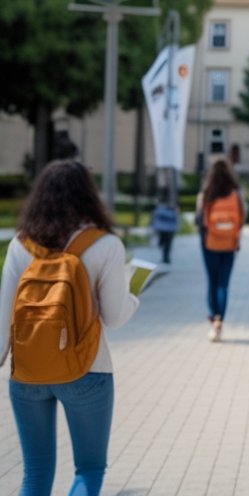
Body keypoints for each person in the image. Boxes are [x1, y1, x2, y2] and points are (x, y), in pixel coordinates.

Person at [0, 160, 139, 496]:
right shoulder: (106, 245)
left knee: (34, 472)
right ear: (89, 195)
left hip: (28, 375)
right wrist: (134, 296)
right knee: (89, 469)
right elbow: (116, 317)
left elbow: (4, 314)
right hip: (87, 371)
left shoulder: (21, 244)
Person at [196, 157, 244, 343]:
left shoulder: (206, 194)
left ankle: (212, 315)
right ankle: (219, 320)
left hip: (210, 243)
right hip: (229, 244)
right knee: (224, 283)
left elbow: (200, 220)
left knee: (212, 282)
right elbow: (241, 219)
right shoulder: (235, 194)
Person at [150, 189, 180, 266]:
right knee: (166, 243)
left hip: (165, 228)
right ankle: (166, 257)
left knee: (166, 243)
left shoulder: (160, 207)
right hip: (167, 228)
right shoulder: (170, 206)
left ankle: (166, 257)